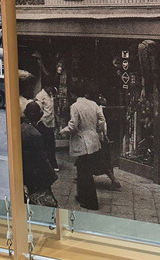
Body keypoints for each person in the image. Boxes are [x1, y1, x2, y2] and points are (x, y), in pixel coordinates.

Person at [59, 83, 105, 211]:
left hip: (82, 142)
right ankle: (81, 196)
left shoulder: (75, 106)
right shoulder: (93, 104)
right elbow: (102, 121)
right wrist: (96, 130)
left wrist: (62, 132)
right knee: (82, 169)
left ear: (73, 94)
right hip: (94, 141)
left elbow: (73, 126)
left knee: (85, 173)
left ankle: (91, 202)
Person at [21, 101, 58, 207]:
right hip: (35, 174)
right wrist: (52, 175)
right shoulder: (35, 134)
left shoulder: (21, 128)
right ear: (40, 115)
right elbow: (42, 158)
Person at [35, 86, 59, 172]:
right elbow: (37, 108)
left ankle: (52, 164)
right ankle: (46, 165)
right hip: (43, 122)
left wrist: (56, 118)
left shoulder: (50, 95)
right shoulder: (40, 96)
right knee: (45, 144)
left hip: (50, 123)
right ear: (46, 87)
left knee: (51, 145)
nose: (51, 89)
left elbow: (51, 109)